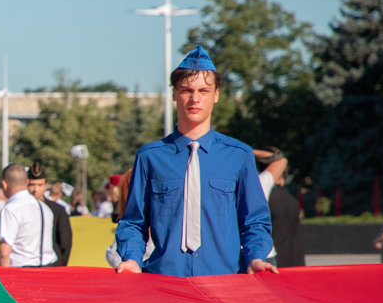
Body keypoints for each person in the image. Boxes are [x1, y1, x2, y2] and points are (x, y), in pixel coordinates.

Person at [115, 46, 274, 277]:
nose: (195, 98)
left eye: (204, 90)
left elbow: (255, 221)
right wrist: (131, 259)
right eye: (186, 90)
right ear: (174, 94)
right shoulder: (149, 157)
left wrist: (256, 258)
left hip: (226, 280)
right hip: (164, 281)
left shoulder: (239, 155)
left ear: (216, 95)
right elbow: (132, 222)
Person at [0, 163, 58, 268]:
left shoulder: (11, 209)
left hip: (21, 271)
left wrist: (0, 275)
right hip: (47, 268)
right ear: (26, 182)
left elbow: (4, 253)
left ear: (4, 184)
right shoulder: (44, 208)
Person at [26, 162, 73, 267]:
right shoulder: (21, 209)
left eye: (40, 185)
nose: (35, 189)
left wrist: (60, 266)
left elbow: (65, 242)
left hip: (52, 265)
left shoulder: (58, 210)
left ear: (46, 185)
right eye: (32, 185)